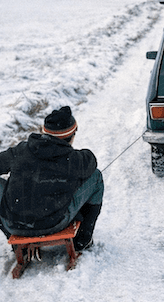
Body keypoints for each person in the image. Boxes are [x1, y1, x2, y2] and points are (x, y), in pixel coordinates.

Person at [0, 106, 103, 252]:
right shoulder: (74, 159)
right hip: (54, 224)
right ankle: (82, 240)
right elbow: (91, 161)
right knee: (96, 176)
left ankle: (17, 243)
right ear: (71, 135)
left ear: (44, 132)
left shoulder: (21, 151)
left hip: (13, 224)